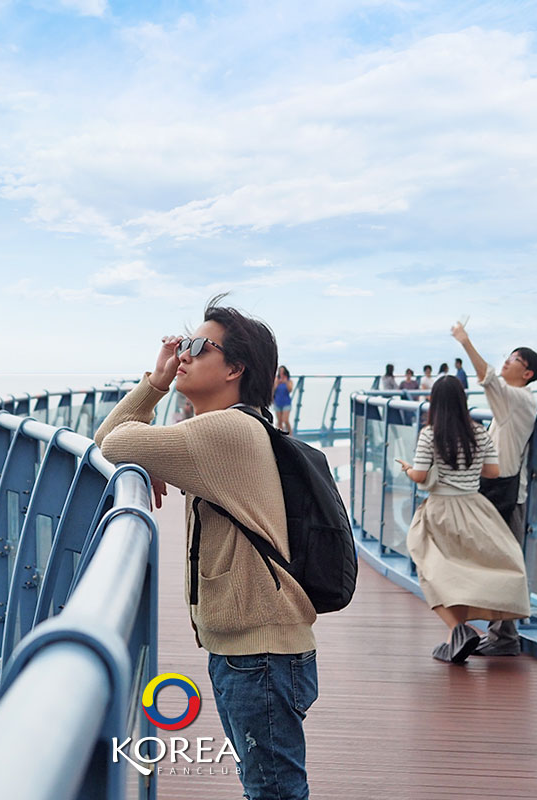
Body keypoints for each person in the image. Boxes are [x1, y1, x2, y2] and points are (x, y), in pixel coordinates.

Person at [95, 296, 318, 800]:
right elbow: (118, 445)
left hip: (259, 655)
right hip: (253, 650)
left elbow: (109, 442)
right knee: (267, 788)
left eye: (197, 347)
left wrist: (155, 384)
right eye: (182, 345)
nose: (182, 355)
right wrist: (150, 456)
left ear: (235, 368)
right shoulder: (234, 427)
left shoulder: (224, 430)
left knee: (273, 792)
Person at [395, 376, 530, 662]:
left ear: (434, 402)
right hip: (475, 508)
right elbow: (493, 472)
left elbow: (420, 475)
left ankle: (458, 629)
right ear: (463, 400)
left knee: (431, 570)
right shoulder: (479, 433)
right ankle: (454, 640)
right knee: (468, 570)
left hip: (440, 509)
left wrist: (408, 469)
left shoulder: (430, 434)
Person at [451, 321, 537, 656]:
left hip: (506, 496)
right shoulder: (512, 402)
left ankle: (505, 637)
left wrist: (465, 341)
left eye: (515, 359)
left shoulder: (518, 399)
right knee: (497, 562)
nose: (507, 361)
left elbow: (487, 377)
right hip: (498, 492)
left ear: (528, 373)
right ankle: (499, 633)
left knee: (504, 564)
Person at [274, 365, 295, 434]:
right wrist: (277, 383)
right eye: (280, 371)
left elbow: (290, 390)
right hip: (277, 402)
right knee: (279, 421)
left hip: (286, 403)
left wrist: (286, 382)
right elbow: (273, 390)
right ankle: (282, 435)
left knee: (285, 420)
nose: (281, 373)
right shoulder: (276, 379)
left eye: (283, 372)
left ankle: (290, 434)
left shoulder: (289, 380)